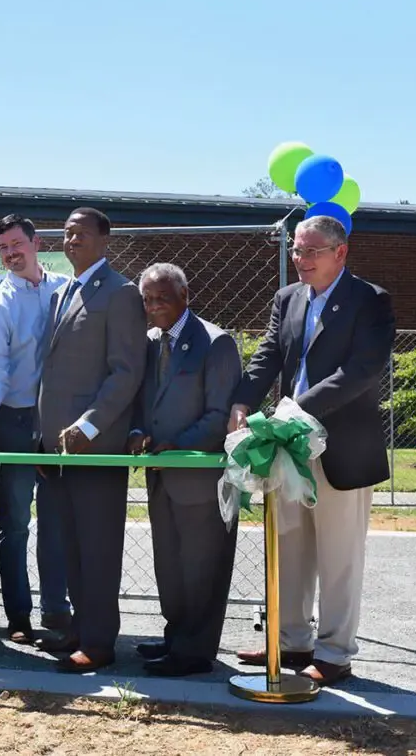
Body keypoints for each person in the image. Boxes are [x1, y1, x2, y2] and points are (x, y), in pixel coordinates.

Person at [230, 215, 395, 687]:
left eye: (311, 251)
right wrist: (243, 399)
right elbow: (268, 356)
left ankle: (335, 653)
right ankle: (290, 641)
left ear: (340, 253)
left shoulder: (371, 300)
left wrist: (293, 409)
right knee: (289, 545)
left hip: (342, 447)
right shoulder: (288, 298)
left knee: (339, 555)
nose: (300, 260)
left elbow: (361, 371)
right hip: (287, 447)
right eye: (297, 251)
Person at [35, 207, 146, 673]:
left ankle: (99, 641)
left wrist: (90, 426)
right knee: (70, 544)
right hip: (56, 449)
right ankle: (80, 627)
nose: (72, 239)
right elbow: (53, 373)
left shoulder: (120, 293)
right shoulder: (64, 291)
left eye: (81, 233)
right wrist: (43, 438)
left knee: (97, 546)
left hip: (95, 448)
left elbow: (126, 372)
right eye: (66, 233)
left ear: (105, 239)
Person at [126, 263, 241, 677]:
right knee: (171, 566)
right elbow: (143, 402)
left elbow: (220, 414)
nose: (154, 306)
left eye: (163, 298)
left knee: (201, 566)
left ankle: (195, 652)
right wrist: (139, 431)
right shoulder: (150, 342)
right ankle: (176, 637)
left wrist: (180, 443)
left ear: (185, 296)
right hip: (161, 476)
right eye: (148, 299)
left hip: (199, 477)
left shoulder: (215, 342)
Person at [0, 214, 71, 645]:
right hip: (15, 419)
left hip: (60, 421)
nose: (11, 254)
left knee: (57, 519)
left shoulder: (66, 288)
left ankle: (57, 608)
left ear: (36, 243)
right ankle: (19, 615)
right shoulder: (1, 303)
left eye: (17, 245)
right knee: (15, 523)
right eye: (3, 249)